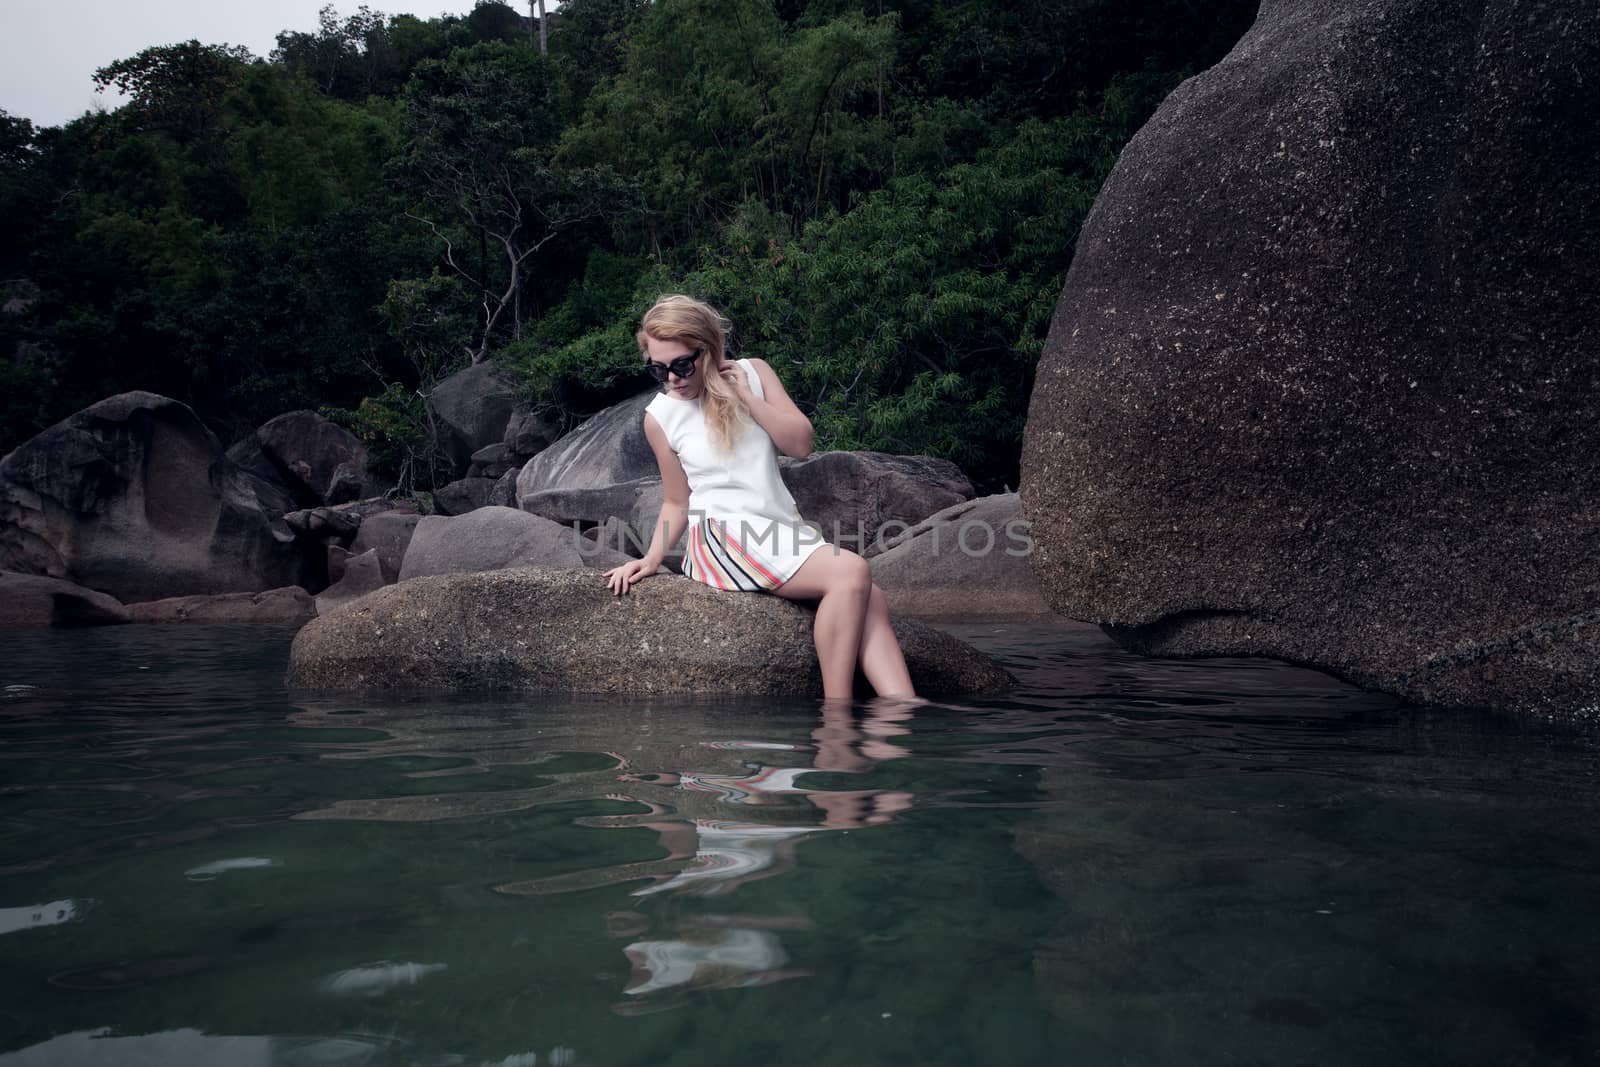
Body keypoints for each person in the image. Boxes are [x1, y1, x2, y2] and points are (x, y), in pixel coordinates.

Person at [603, 294, 917, 701]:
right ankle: (837, 715)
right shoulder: (659, 417)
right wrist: (650, 558)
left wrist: (746, 398)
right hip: (721, 534)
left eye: (682, 365)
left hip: (779, 527)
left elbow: (800, 444)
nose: (673, 378)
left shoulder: (754, 373)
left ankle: (905, 709)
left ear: (709, 350)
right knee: (852, 572)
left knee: (870, 595)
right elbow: (677, 501)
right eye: (658, 369)